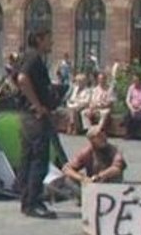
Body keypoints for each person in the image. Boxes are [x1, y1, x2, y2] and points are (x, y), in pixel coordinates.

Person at [16, 26, 59, 219]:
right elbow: (22, 78)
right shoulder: (33, 58)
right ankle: (33, 201)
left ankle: (27, 200)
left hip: (26, 114)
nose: (51, 42)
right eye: (49, 38)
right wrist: (37, 105)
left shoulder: (26, 56)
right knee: (38, 159)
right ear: (40, 39)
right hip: (35, 116)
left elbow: (15, 80)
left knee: (28, 158)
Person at [62, 122, 126, 193]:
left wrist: (100, 176)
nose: (103, 137)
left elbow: (117, 168)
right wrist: (82, 178)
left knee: (115, 177)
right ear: (91, 139)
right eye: (99, 136)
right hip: (92, 183)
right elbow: (66, 169)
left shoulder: (114, 150)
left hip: (109, 182)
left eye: (104, 135)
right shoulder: (86, 152)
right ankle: (83, 196)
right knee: (68, 179)